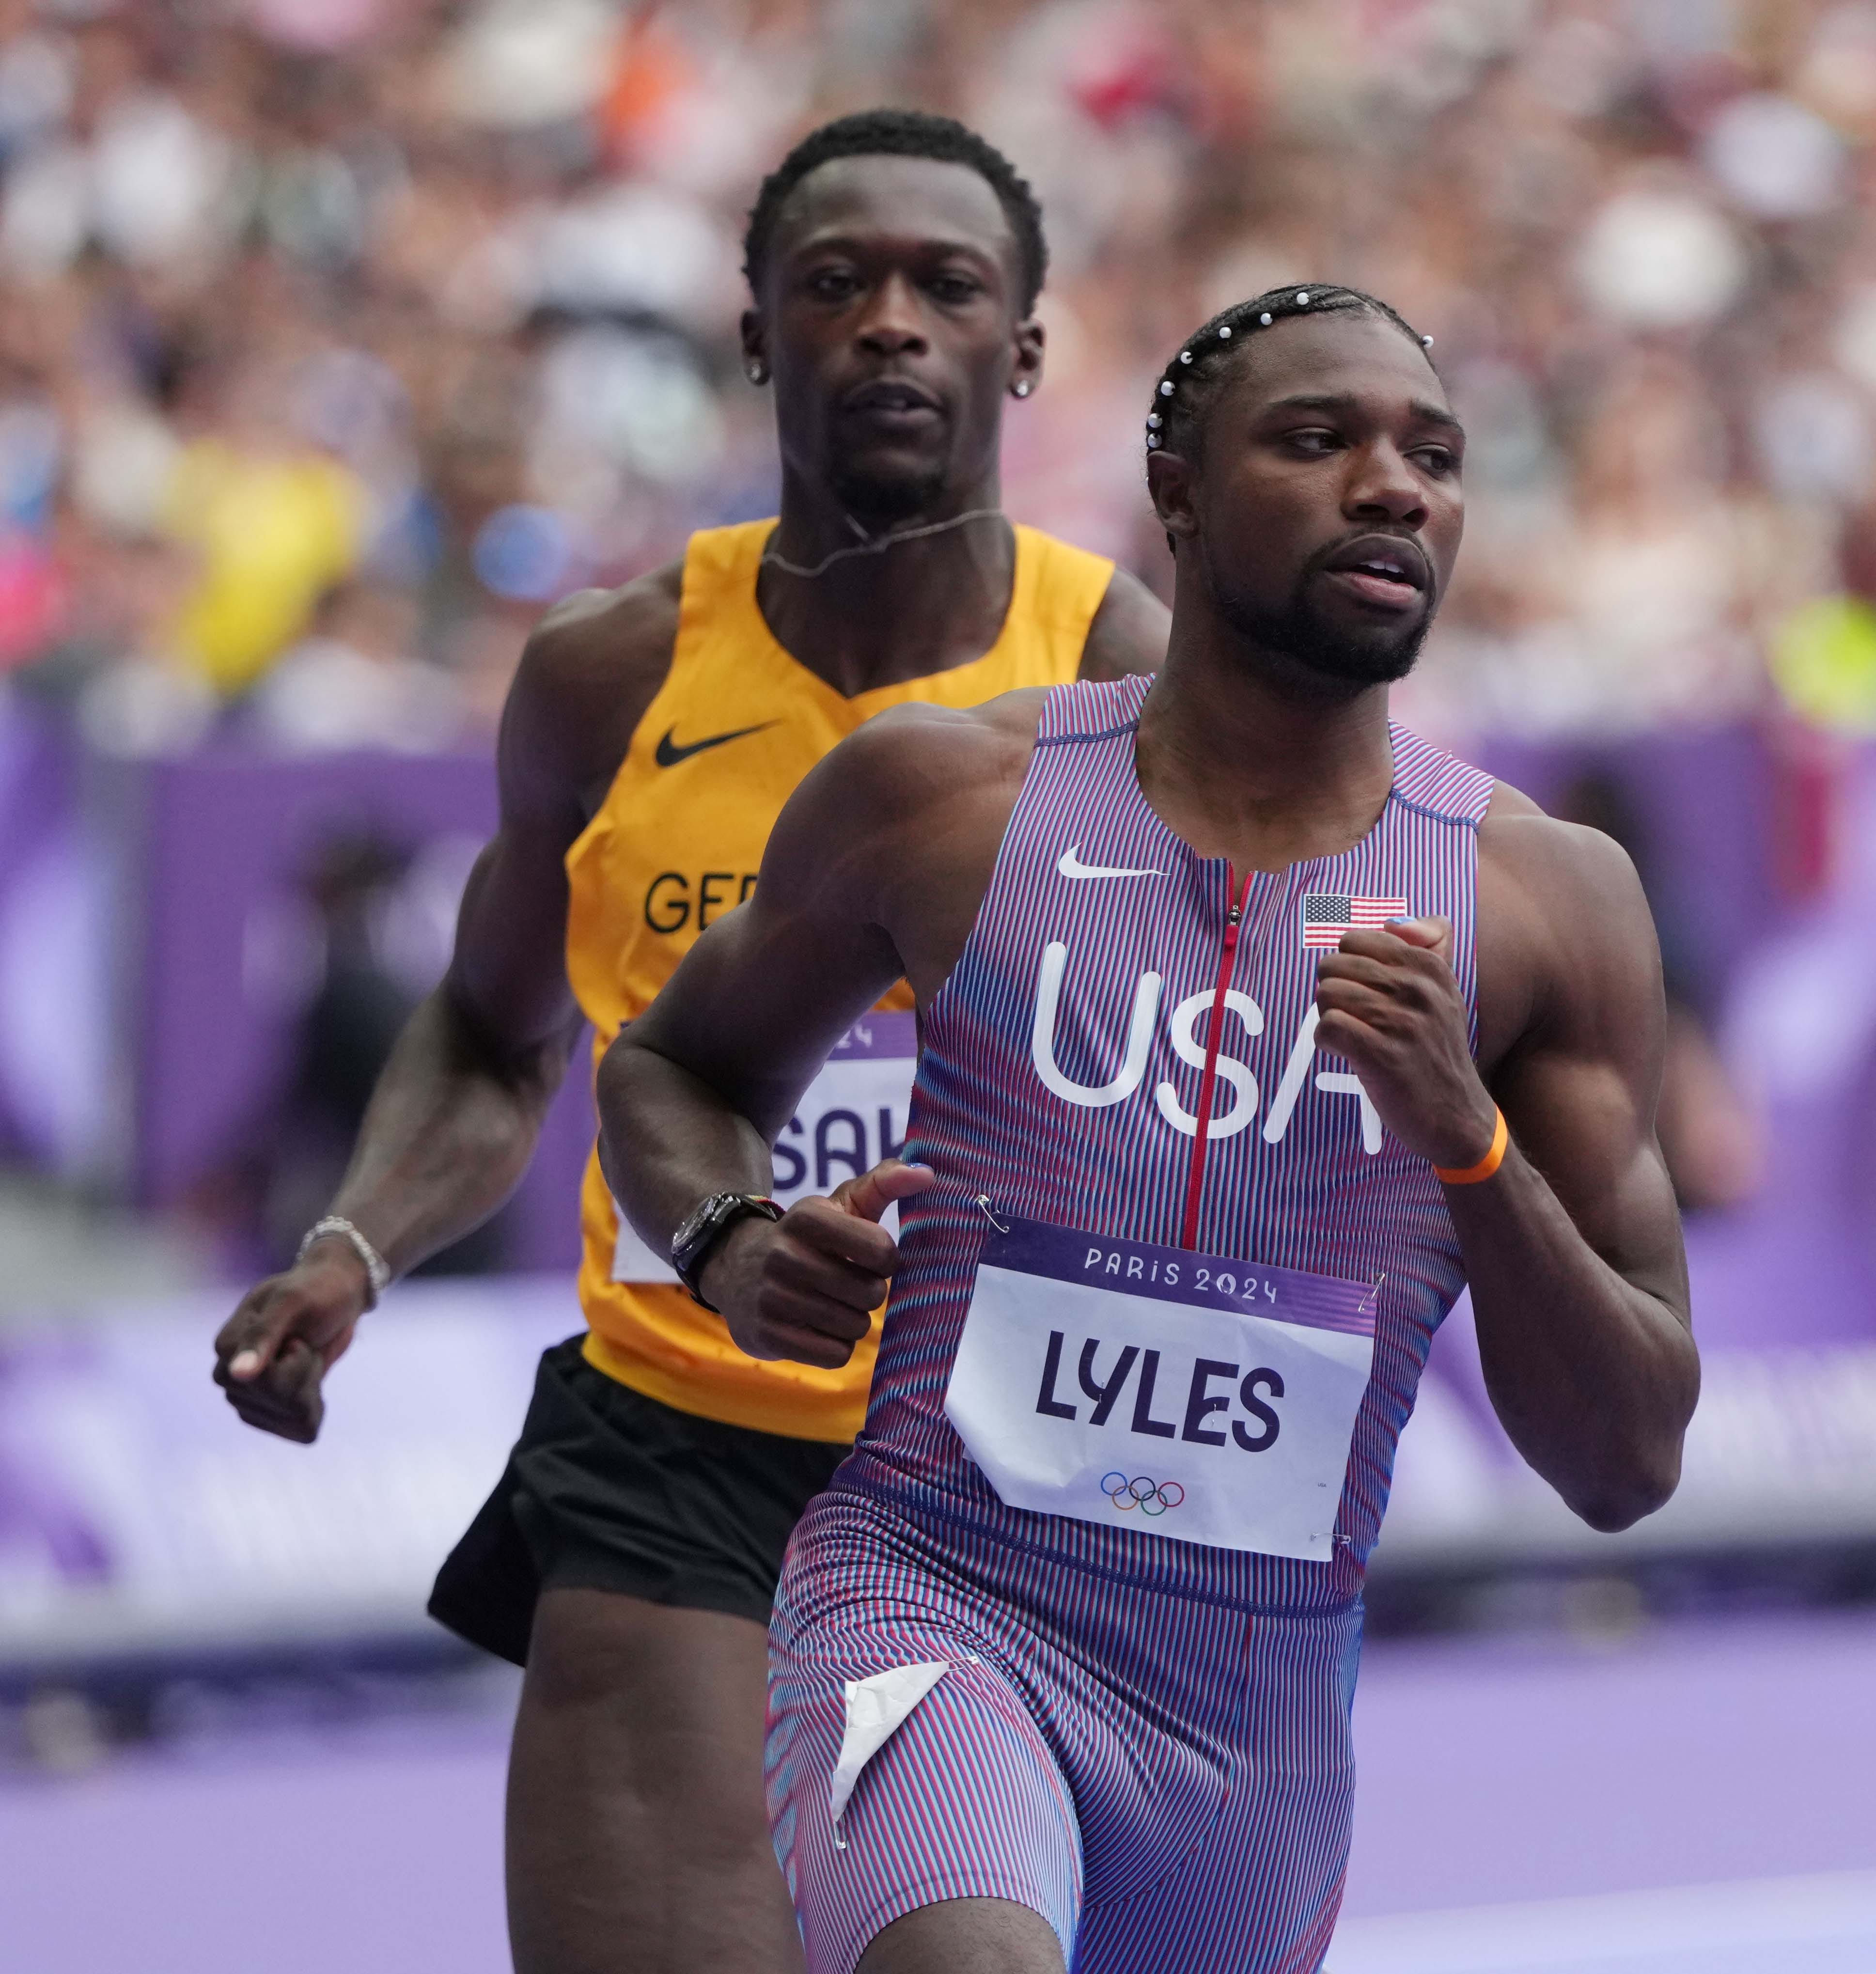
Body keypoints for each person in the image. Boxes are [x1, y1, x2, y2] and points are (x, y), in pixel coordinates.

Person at [598, 283, 1700, 1974]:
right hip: (933, 1603)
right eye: (1318, 441)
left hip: (1258, 1730)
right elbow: (671, 1070)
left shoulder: (1543, 904)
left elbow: (1627, 1457)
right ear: (1176, 495)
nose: (1394, 487)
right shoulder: (946, 801)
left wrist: (1469, 1144)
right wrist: (734, 1247)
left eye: (1437, 455)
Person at [208, 110, 1167, 1974]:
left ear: (1025, 349)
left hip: (1013, 1478)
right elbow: (496, 1038)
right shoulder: (613, 671)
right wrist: (353, 1243)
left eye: (946, 287)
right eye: (835, 284)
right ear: (753, 338)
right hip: (683, 1452)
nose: (890, 323)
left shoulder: (1125, 676)